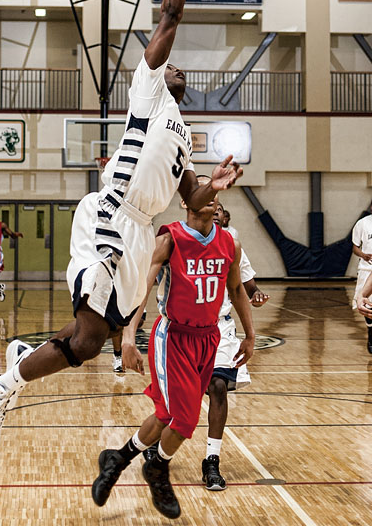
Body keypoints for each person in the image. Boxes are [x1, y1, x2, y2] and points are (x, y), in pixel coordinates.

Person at [0, 0, 243, 454]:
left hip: (142, 233)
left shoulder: (184, 135)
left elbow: (189, 197)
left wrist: (213, 186)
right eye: (170, 63)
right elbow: (170, 17)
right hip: (111, 214)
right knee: (91, 333)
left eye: (181, 68)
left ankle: (14, 365)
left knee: (95, 343)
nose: (177, 66)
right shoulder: (149, 90)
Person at [93, 177, 255, 519]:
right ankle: (157, 469)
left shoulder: (230, 244)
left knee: (167, 415)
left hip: (209, 338)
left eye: (216, 195)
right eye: (205, 192)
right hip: (174, 337)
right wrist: (127, 338)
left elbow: (238, 289)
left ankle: (118, 458)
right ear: (186, 201)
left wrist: (249, 335)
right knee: (185, 420)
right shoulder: (169, 239)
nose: (212, 198)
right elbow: (142, 289)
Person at [201, 201, 269, 491]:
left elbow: (245, 285)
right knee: (180, 399)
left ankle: (211, 460)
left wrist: (256, 294)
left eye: (219, 209)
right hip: (183, 328)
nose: (214, 211)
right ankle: (157, 441)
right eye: (210, 207)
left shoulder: (232, 245)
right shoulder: (175, 241)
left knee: (218, 387)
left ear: (224, 217)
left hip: (221, 328)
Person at [352, 209, 372, 353]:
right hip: (366, 270)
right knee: (368, 306)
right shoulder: (363, 223)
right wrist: (363, 255)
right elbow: (355, 247)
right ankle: (371, 335)